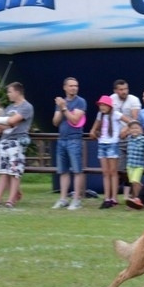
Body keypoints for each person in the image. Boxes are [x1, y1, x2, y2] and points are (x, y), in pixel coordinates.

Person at [0, 82, 34, 209]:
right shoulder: (9, 108)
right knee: (2, 172)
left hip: (17, 142)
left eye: (10, 92)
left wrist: (2, 121)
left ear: (17, 92)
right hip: (4, 141)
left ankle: (11, 200)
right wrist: (5, 122)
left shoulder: (27, 107)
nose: (8, 94)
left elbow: (12, 121)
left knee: (15, 172)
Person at [51, 77, 87, 210]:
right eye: (71, 86)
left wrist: (64, 108)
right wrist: (61, 108)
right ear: (65, 87)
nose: (74, 88)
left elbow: (75, 120)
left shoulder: (80, 102)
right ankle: (63, 199)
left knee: (77, 170)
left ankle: (77, 199)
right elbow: (55, 122)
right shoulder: (61, 103)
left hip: (74, 139)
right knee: (63, 171)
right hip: (62, 139)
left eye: (76, 86)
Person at [91, 94, 124, 208]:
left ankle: (114, 198)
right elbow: (94, 128)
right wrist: (93, 132)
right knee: (105, 172)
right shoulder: (100, 115)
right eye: (100, 105)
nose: (102, 107)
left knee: (113, 172)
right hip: (102, 144)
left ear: (109, 106)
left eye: (104, 105)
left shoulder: (116, 114)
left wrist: (125, 130)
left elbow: (130, 121)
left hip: (112, 144)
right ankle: (106, 198)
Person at [123, 120, 144, 200]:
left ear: (140, 130)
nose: (134, 130)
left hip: (138, 166)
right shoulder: (129, 139)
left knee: (135, 182)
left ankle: (138, 199)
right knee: (133, 183)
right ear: (129, 130)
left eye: (136, 128)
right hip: (130, 165)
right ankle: (137, 198)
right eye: (132, 128)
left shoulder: (143, 139)